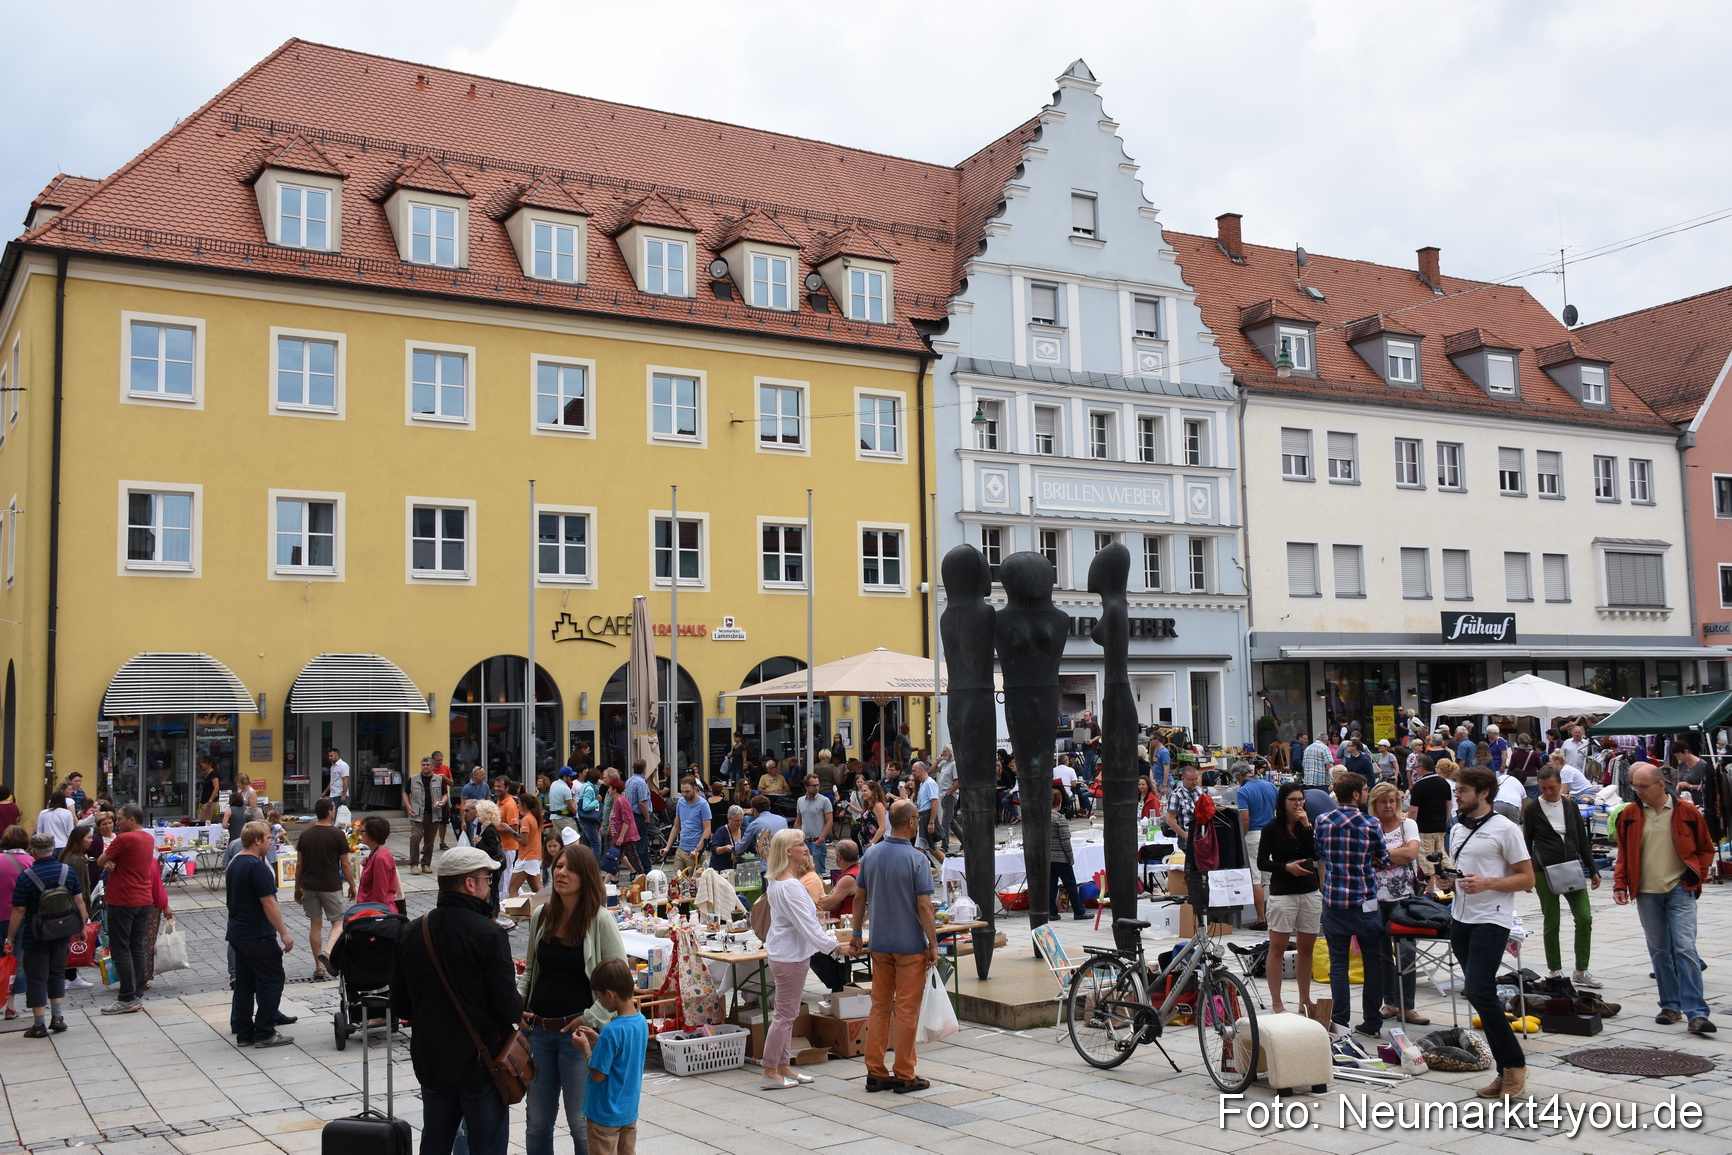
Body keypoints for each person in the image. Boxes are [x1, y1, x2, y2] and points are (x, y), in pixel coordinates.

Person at [392, 846, 524, 1155]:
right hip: (480, 1063)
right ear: (469, 883)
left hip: (433, 1061)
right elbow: (509, 1009)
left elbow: (400, 1005)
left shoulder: (411, 931)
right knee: (487, 1147)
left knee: (435, 1143)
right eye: (488, 879)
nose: (490, 885)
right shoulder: (489, 935)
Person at [520, 842, 628, 1155]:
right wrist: (517, 1005)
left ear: (586, 876)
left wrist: (589, 1018)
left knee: (581, 1123)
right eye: (558, 866)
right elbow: (530, 972)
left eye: (570, 868)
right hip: (539, 1032)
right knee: (537, 1122)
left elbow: (620, 983)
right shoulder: (542, 915)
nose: (561, 873)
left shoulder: (599, 920)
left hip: (579, 1037)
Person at [1445, 766, 1536, 1097]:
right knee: (1477, 993)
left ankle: (1515, 1065)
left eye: (1464, 790)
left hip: (1492, 918)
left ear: (1483, 793)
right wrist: (1447, 879)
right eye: (1456, 790)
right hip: (1460, 917)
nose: (1458, 796)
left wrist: (1488, 883)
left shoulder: (1506, 829)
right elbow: (1460, 872)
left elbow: (1527, 879)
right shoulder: (1458, 828)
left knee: (1479, 990)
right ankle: (1504, 1070)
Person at [1614, 763, 1716, 1035]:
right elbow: (1623, 853)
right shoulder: (1630, 814)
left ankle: (1697, 1013)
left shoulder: (1686, 811)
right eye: (1635, 786)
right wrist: (1620, 883)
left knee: (1685, 949)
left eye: (1643, 786)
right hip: (1646, 891)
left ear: (1661, 785)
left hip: (1680, 888)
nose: (1638, 791)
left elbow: (1706, 847)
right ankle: (1670, 1005)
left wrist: (1697, 874)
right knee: (1659, 950)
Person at [846, 799, 937, 1094]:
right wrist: (933, 943)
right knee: (907, 1009)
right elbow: (925, 906)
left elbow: (859, 898)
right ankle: (905, 1073)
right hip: (909, 944)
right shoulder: (917, 859)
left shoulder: (871, 854)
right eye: (917, 819)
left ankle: (875, 1071)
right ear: (911, 822)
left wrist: (856, 933)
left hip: (880, 942)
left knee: (880, 1006)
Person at [759, 828, 845, 1089]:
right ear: (788, 851)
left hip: (786, 953)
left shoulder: (779, 881)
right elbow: (807, 925)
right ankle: (770, 1070)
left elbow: (804, 923)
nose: (806, 848)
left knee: (787, 1013)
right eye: (801, 844)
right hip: (790, 956)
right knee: (785, 1015)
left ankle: (783, 1066)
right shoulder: (790, 886)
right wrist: (834, 947)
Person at [1313, 772, 1390, 1039]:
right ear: (1356, 794)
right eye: (1366, 790)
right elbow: (1384, 859)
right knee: (1373, 963)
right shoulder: (1371, 823)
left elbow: (1320, 853)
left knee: (1338, 965)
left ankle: (1340, 1021)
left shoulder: (1322, 821)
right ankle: (1372, 1021)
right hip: (1365, 901)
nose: (1367, 793)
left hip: (1335, 901)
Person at [1521, 764, 1601, 989]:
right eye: (1544, 788)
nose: (1548, 792)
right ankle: (1554, 969)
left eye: (1552, 788)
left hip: (1571, 865)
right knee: (1552, 921)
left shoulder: (1570, 805)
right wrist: (1527, 873)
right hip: (1543, 868)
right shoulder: (1533, 807)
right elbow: (1526, 841)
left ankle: (1581, 969)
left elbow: (1581, 838)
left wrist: (1592, 869)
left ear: (1560, 785)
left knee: (1584, 918)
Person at [5, 832, 91, 1037]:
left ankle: (39, 1024)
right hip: (62, 932)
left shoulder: (26, 876)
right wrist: (82, 927)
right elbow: (78, 900)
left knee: (36, 977)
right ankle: (58, 1017)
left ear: (32, 852)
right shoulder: (67, 871)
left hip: (35, 935)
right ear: (53, 849)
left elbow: (19, 910)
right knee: (57, 973)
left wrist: (10, 938)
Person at [227, 820, 296, 1048]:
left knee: (245, 984)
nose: (271, 842)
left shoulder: (236, 863)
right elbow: (269, 903)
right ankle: (265, 1031)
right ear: (257, 840)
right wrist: (284, 933)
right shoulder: (256, 866)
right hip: (258, 934)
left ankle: (245, 1033)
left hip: (238, 932)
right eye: (268, 838)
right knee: (272, 980)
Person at [571, 957, 648, 1155]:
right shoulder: (641, 1021)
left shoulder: (611, 1030)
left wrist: (586, 1048)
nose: (599, 1001)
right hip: (628, 1112)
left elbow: (598, 1074)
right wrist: (598, 1040)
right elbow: (622, 1053)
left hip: (604, 1114)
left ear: (610, 994)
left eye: (599, 996)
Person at [1368, 782, 1427, 1026]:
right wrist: (1395, 854)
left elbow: (1411, 853)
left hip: (1404, 897)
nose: (1389, 806)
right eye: (1383, 801)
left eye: (1392, 801)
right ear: (1375, 804)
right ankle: (1390, 1002)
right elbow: (1363, 856)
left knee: (1406, 952)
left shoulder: (1407, 824)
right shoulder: (1369, 825)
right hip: (1375, 897)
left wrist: (1379, 855)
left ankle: (1407, 1006)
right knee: (1381, 953)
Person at [1259, 783, 1319, 1015]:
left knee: (1307, 948)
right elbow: (1262, 862)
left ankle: (1305, 999)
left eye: (1301, 799)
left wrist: (1306, 827)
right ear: (1283, 803)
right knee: (1278, 947)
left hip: (1309, 890)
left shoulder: (1308, 825)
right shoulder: (1272, 828)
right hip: (1283, 892)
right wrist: (1286, 867)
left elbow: (1314, 854)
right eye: (1293, 800)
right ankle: (1277, 1002)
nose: (1298, 804)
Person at [93, 802, 155, 1015]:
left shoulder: (124, 839)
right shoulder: (148, 838)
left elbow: (101, 860)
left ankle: (127, 997)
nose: (117, 823)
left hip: (123, 898)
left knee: (120, 948)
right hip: (143, 898)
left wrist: (109, 861)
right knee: (136, 946)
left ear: (131, 820)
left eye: (119, 819)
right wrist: (112, 861)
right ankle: (137, 991)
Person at [295, 797, 354, 981]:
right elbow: (345, 864)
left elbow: (299, 864)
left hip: (309, 885)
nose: (334, 811)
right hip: (331, 885)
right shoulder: (337, 834)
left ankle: (318, 967)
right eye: (333, 809)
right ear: (329, 812)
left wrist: (297, 888)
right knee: (338, 923)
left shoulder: (305, 834)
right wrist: (353, 885)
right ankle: (327, 951)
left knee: (315, 924)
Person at [1236, 766, 1276, 928]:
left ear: (1238, 777)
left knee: (1256, 878)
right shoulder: (1270, 786)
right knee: (1271, 877)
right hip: (1271, 833)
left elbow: (1245, 819)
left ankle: (1261, 919)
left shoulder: (1243, 791)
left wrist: (1242, 837)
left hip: (1254, 834)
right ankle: (1274, 916)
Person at [405, 757, 452, 876]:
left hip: (433, 814)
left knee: (429, 841)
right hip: (417, 814)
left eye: (427, 765)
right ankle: (414, 864)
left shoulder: (439, 779)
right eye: (423, 765)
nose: (425, 767)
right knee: (416, 837)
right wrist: (408, 805)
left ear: (432, 766)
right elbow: (405, 793)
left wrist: (442, 802)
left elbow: (445, 794)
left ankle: (426, 864)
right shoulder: (413, 779)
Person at [1405, 755, 1451, 869]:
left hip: (1425, 827)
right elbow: (1449, 804)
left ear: (1422, 768)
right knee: (1441, 854)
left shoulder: (1419, 786)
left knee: (1426, 857)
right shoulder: (1444, 783)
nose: (1415, 770)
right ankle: (1450, 872)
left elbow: (1413, 810)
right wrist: (1444, 819)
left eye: (1416, 767)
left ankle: (1429, 879)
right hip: (1440, 825)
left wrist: (1410, 826)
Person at [1047, 789, 1086, 920]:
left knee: (1051, 885)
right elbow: (1065, 841)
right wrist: (1070, 857)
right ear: (1059, 801)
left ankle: (1052, 912)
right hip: (1060, 857)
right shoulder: (1059, 818)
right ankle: (1079, 911)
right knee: (1070, 884)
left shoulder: (1043, 817)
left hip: (1048, 857)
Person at [662, 777, 712, 876]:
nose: (684, 794)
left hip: (695, 850)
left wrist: (697, 849)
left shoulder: (703, 804)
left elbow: (707, 830)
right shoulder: (681, 802)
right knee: (676, 880)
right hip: (681, 848)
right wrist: (667, 847)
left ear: (695, 789)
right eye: (682, 791)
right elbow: (676, 826)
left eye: (687, 791)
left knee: (695, 881)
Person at [356, 815, 404, 914]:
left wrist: (374, 915)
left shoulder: (380, 858)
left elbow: (379, 893)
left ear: (372, 834)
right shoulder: (377, 853)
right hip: (369, 910)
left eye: (362, 831)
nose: (360, 833)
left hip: (375, 913)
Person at [792, 773, 834, 875]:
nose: (816, 788)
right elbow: (798, 820)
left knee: (818, 872)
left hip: (817, 841)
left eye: (818, 785)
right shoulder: (800, 801)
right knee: (803, 871)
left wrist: (821, 839)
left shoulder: (824, 801)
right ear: (806, 787)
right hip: (804, 841)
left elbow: (829, 821)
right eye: (813, 785)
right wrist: (796, 837)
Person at [605, 775, 647, 877]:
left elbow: (626, 820)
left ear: (614, 790)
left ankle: (642, 876)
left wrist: (621, 836)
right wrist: (610, 828)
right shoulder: (616, 801)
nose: (608, 790)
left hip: (626, 836)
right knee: (615, 857)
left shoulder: (621, 801)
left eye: (610, 788)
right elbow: (614, 817)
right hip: (619, 836)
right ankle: (612, 879)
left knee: (632, 857)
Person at [473, 800, 506, 919]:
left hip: (492, 867)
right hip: (490, 865)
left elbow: (492, 850)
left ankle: (492, 916)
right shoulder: (486, 828)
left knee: (492, 892)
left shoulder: (490, 830)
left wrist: (479, 842)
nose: (476, 815)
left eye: (478, 812)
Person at [817, 840, 861, 921]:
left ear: (839, 856)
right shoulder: (857, 871)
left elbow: (826, 906)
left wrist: (826, 899)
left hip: (844, 923)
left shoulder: (848, 879)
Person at [509, 796, 544, 899]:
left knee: (513, 889)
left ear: (524, 805)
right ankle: (548, 906)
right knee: (537, 889)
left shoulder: (526, 819)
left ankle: (514, 908)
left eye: (519, 804)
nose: (517, 806)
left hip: (526, 858)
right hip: (534, 856)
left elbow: (524, 841)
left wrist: (511, 834)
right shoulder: (534, 817)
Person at [1163, 763, 1202, 848]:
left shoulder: (1199, 791)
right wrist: (1186, 836)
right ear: (1183, 778)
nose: (1195, 782)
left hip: (1200, 836)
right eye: (1191, 780)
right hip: (1185, 839)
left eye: (1196, 779)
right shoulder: (1176, 795)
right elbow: (1170, 820)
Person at [738, 795, 789, 860]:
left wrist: (733, 850)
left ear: (754, 810)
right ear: (769, 808)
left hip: (766, 862)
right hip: (783, 860)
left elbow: (741, 847)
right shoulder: (783, 820)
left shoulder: (755, 824)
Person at [494, 777, 524, 879]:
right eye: (495, 786)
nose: (496, 788)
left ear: (507, 788)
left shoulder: (510, 805)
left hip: (508, 847)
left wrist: (493, 831)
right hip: (501, 845)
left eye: (499, 786)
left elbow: (514, 829)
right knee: (504, 876)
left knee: (505, 876)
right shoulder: (499, 801)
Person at [709, 805, 745, 872]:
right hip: (721, 869)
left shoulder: (744, 831)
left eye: (741, 820)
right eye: (736, 821)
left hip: (739, 869)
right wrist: (725, 848)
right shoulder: (721, 831)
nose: (739, 823)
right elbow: (714, 850)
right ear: (729, 819)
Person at [197, 758, 224, 824]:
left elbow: (216, 788)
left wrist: (210, 801)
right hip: (205, 801)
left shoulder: (213, 774)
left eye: (204, 763)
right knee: (201, 820)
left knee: (204, 822)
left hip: (209, 802)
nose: (202, 764)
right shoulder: (207, 774)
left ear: (209, 764)